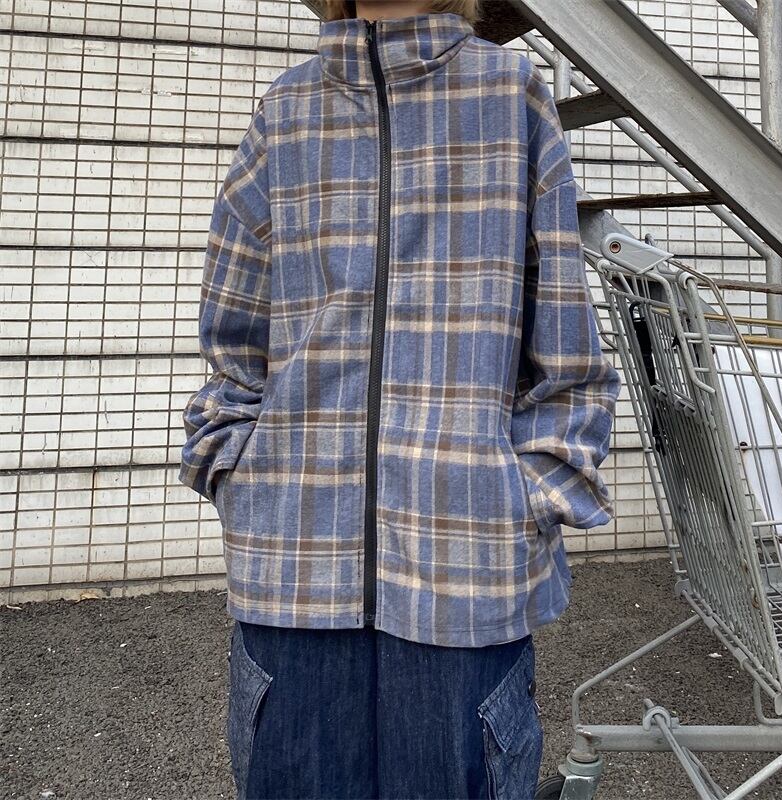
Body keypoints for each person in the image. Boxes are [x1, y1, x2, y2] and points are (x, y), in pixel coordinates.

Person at [178, 0, 621, 797]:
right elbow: (233, 340)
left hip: (468, 577)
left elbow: (566, 350)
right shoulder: (287, 111)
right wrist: (242, 476)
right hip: (290, 576)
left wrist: (523, 495)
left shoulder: (511, 95)